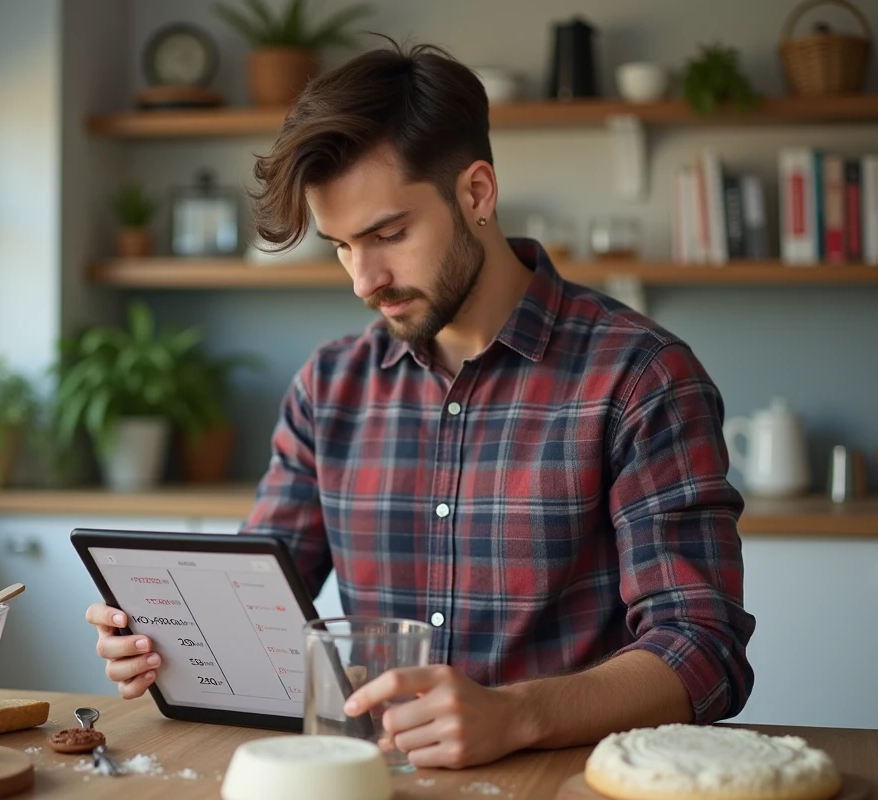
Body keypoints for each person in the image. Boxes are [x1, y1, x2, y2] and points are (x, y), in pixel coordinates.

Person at [87, 40, 755, 770]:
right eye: (341, 246)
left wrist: (517, 714)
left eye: (388, 235)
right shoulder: (329, 386)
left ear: (477, 194)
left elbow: (702, 647)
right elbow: (259, 603)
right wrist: (169, 640)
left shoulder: (640, 376)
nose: (363, 279)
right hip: (373, 779)